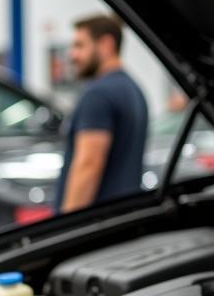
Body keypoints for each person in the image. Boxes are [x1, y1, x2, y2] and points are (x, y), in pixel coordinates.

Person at [57, 13, 148, 213]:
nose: (73, 55)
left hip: (97, 224)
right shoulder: (134, 89)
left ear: (106, 45)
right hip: (126, 217)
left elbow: (88, 165)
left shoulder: (97, 95)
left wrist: (67, 227)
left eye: (80, 46)